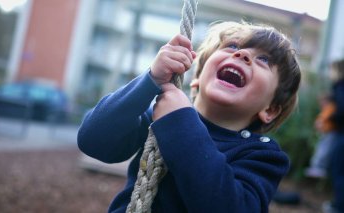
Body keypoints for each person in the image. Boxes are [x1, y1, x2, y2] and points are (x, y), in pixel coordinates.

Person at [77, 21, 301, 212]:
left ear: (270, 110)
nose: (242, 54)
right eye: (232, 46)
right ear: (197, 77)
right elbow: (92, 140)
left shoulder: (262, 155)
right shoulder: (157, 119)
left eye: (264, 60)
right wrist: (150, 80)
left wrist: (180, 122)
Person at [323, 58, 344, 213]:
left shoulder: (340, 86)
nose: (330, 73)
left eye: (332, 70)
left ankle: (338, 206)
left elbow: (342, 110)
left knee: (339, 170)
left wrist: (328, 118)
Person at [305, 93, 336, 178]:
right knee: (321, 149)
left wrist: (319, 122)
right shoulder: (327, 109)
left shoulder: (330, 108)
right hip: (325, 133)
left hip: (329, 133)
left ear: (326, 101)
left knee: (324, 150)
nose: (320, 104)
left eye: (322, 102)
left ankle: (319, 168)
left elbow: (324, 118)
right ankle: (317, 167)